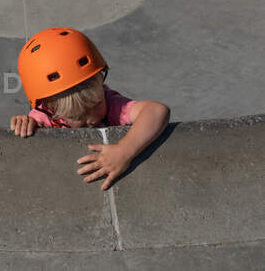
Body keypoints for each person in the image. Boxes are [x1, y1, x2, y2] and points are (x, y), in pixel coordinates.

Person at [11, 27, 169, 190]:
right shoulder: (44, 115)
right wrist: (24, 123)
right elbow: (27, 136)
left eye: (96, 105)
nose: (92, 119)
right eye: (77, 116)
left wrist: (124, 151)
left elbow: (156, 111)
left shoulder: (112, 104)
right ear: (48, 106)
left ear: (101, 81)